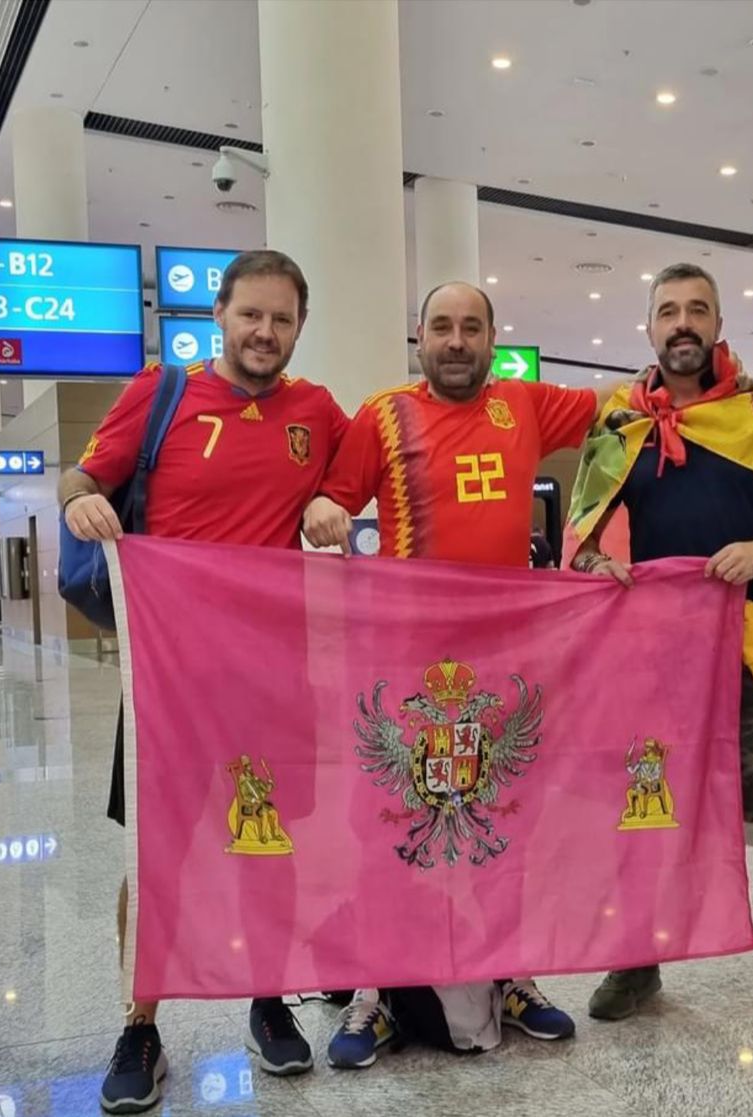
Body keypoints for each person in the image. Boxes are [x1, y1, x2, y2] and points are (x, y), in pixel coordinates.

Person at [59, 249, 349, 1112]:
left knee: (267, 844)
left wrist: (328, 499)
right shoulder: (163, 392)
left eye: (283, 319)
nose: (265, 332)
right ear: (218, 314)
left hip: (271, 672)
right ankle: (140, 1022)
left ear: (301, 327)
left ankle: (268, 998)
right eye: (250, 314)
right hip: (168, 673)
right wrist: (78, 499)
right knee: (159, 850)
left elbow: (354, 477)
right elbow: (85, 474)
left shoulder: (317, 411)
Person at [304, 280, 608, 1068]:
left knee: (504, 821)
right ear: (420, 336)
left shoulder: (528, 404)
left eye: (472, 327)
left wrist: (597, 532)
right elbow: (330, 498)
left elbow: (627, 419)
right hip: (407, 667)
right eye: (443, 326)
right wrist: (325, 513)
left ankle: (511, 974)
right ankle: (374, 993)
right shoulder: (384, 414)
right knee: (391, 827)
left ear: (493, 336)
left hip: (506, 665)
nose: (457, 340)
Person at [570, 261, 753, 1044]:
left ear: (718, 325)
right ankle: (638, 957)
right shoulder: (618, 425)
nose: (682, 323)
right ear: (651, 327)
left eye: (698, 309)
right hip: (653, 653)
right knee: (644, 807)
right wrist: (599, 564)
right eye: (669, 310)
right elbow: (583, 539)